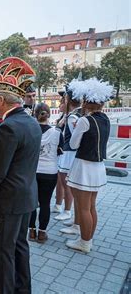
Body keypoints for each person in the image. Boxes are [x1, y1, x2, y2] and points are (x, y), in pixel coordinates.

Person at [0, 57, 41, 293]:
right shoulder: (31, 122)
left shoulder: (8, 127)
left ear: (2, 99)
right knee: (20, 246)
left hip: (8, 200)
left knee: (3, 251)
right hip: (26, 196)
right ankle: (23, 289)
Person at [65, 79, 112, 253]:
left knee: (84, 207)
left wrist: (77, 128)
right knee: (91, 206)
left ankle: (85, 242)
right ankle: (87, 239)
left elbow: (74, 144)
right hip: (98, 167)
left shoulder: (85, 121)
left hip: (84, 166)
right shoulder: (105, 118)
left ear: (86, 102)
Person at [28, 103, 63, 243]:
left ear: (35, 115)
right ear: (48, 115)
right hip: (50, 171)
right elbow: (60, 151)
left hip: (33, 170)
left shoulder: (30, 131)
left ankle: (31, 231)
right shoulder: (56, 133)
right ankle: (42, 233)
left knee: (31, 202)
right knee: (45, 203)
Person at [55, 84, 82, 227]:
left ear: (69, 101)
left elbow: (74, 140)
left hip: (69, 154)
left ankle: (67, 210)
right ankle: (67, 210)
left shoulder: (72, 118)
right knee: (67, 185)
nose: (63, 103)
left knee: (67, 185)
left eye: (65, 100)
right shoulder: (72, 115)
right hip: (68, 154)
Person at [53, 92, 67, 213]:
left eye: (62, 102)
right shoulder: (64, 115)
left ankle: (66, 209)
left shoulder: (69, 117)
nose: (59, 105)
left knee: (63, 181)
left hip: (65, 153)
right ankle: (58, 204)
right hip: (61, 152)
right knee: (59, 180)